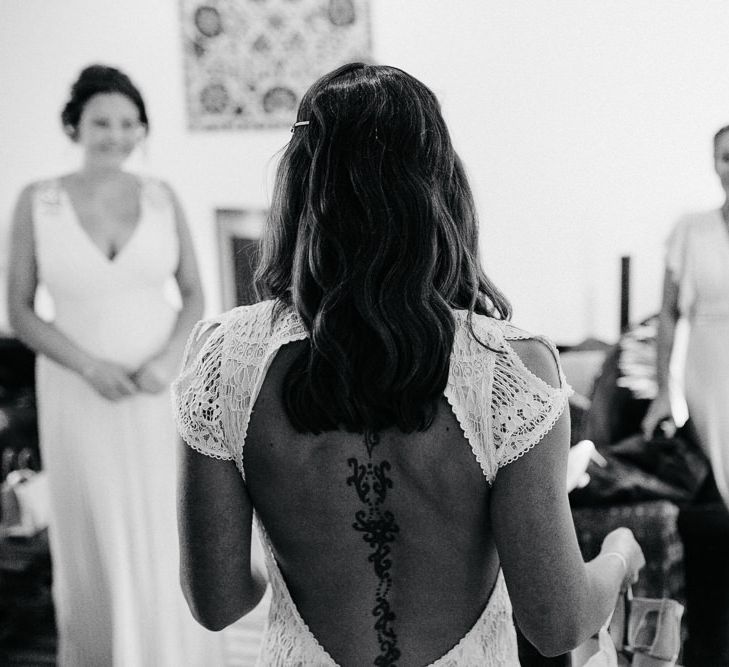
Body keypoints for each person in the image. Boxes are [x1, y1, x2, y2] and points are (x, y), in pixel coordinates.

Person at [173, 62, 645, 665]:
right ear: (440, 188)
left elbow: (217, 603)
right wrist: (621, 553)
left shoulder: (225, 358)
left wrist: (287, 575)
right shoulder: (510, 368)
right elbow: (558, 624)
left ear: (298, 188)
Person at [7, 64, 224, 666]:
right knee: (93, 526)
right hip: (78, 391)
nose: (116, 134)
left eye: (130, 123)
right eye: (103, 121)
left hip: (157, 387)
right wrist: (89, 367)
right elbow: (21, 311)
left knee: (164, 522)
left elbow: (196, 296)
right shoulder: (38, 200)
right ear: (75, 123)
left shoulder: (161, 196)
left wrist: (165, 362)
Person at [642, 124, 729, 511]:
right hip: (709, 367)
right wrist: (664, 390)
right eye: (727, 157)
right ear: (715, 164)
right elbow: (668, 314)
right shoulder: (691, 229)